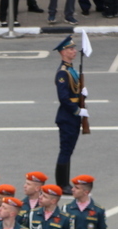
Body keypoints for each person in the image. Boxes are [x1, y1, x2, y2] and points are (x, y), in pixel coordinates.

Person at [54, 36, 86, 189]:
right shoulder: (62, 73)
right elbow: (63, 98)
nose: (74, 51)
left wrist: (82, 94)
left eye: (74, 49)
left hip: (72, 116)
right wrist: (77, 110)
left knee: (69, 150)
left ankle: (64, 182)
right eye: (71, 49)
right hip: (68, 116)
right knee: (65, 150)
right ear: (63, 52)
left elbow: (74, 91)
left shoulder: (71, 69)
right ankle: (61, 184)